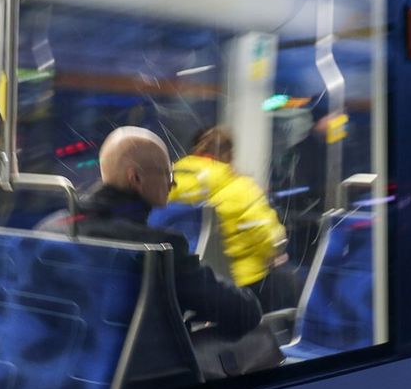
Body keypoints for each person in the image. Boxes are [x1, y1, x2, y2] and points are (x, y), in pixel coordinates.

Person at [51, 126, 262, 339]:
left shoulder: (54, 227)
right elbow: (244, 311)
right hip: (143, 359)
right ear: (136, 178)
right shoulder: (157, 249)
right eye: (167, 173)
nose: (174, 183)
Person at [171, 126, 298, 311]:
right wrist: (275, 250)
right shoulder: (242, 188)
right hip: (238, 284)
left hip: (182, 282)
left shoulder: (169, 183)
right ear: (229, 155)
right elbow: (268, 236)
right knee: (288, 284)